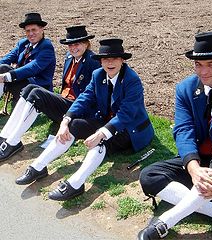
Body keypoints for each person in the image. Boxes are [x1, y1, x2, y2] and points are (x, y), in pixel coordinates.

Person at [15, 38, 155, 202]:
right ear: (100, 61)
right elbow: (84, 98)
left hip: (130, 130)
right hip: (105, 121)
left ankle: (76, 183)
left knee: (100, 141)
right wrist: (65, 121)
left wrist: (101, 133)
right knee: (73, 125)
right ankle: (38, 166)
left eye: (115, 58)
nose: (110, 63)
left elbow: (127, 114)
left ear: (122, 60)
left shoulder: (132, 80)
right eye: (105, 59)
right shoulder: (98, 75)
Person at [138, 31, 212, 240]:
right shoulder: (185, 89)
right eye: (198, 65)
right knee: (148, 176)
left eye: (211, 64)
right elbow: (183, 130)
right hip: (201, 158)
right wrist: (193, 168)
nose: (203, 72)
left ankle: (165, 222)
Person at [0, 25, 100, 161]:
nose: (73, 48)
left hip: (77, 110)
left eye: (77, 44)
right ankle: (5, 137)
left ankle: (13, 143)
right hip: (65, 102)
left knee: (35, 93)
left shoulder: (93, 62)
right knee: (30, 89)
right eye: (70, 45)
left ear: (86, 43)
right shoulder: (69, 57)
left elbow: (91, 95)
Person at [0, 12, 56, 106]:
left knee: (4, 69)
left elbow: (32, 68)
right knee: (2, 67)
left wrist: (7, 76)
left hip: (38, 89)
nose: (31, 34)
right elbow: (8, 58)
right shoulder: (23, 43)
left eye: (34, 30)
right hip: (21, 82)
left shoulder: (47, 47)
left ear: (42, 29)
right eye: (27, 31)